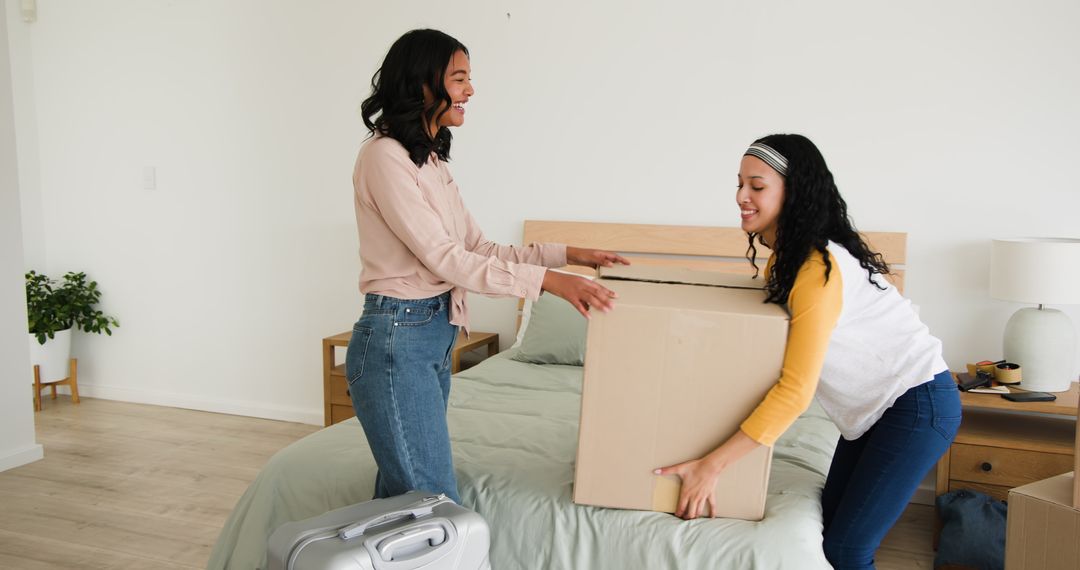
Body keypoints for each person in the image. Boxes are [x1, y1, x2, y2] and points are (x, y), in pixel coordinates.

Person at [348, 29, 627, 505]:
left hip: (429, 335)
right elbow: (447, 259)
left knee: (403, 503)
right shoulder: (384, 158)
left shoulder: (429, 161)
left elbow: (478, 247)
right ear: (422, 85)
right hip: (397, 339)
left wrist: (567, 256)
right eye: (459, 79)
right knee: (434, 507)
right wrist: (550, 283)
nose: (470, 91)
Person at [656, 134, 960, 569]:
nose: (742, 197)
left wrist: (713, 465)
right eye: (739, 184)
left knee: (847, 550)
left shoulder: (815, 267)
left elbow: (796, 390)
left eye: (757, 187)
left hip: (916, 405)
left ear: (792, 191)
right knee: (827, 534)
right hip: (876, 412)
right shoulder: (784, 260)